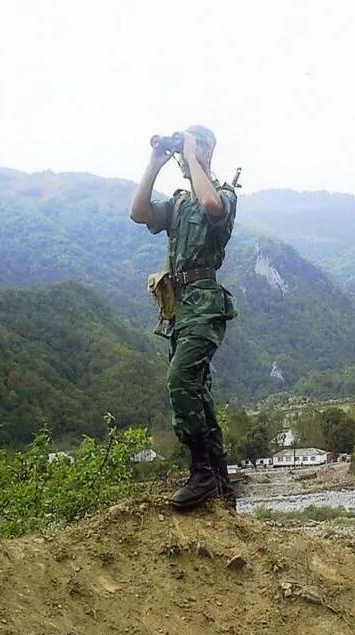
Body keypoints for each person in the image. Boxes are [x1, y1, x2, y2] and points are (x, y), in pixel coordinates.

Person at [129, 125, 238, 511]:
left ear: (208, 152)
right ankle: (222, 483)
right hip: (180, 310)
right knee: (199, 393)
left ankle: (201, 474)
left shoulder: (223, 194)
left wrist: (193, 156)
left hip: (206, 306)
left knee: (180, 381)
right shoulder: (177, 205)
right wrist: (156, 161)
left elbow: (211, 207)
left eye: (198, 149)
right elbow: (137, 212)